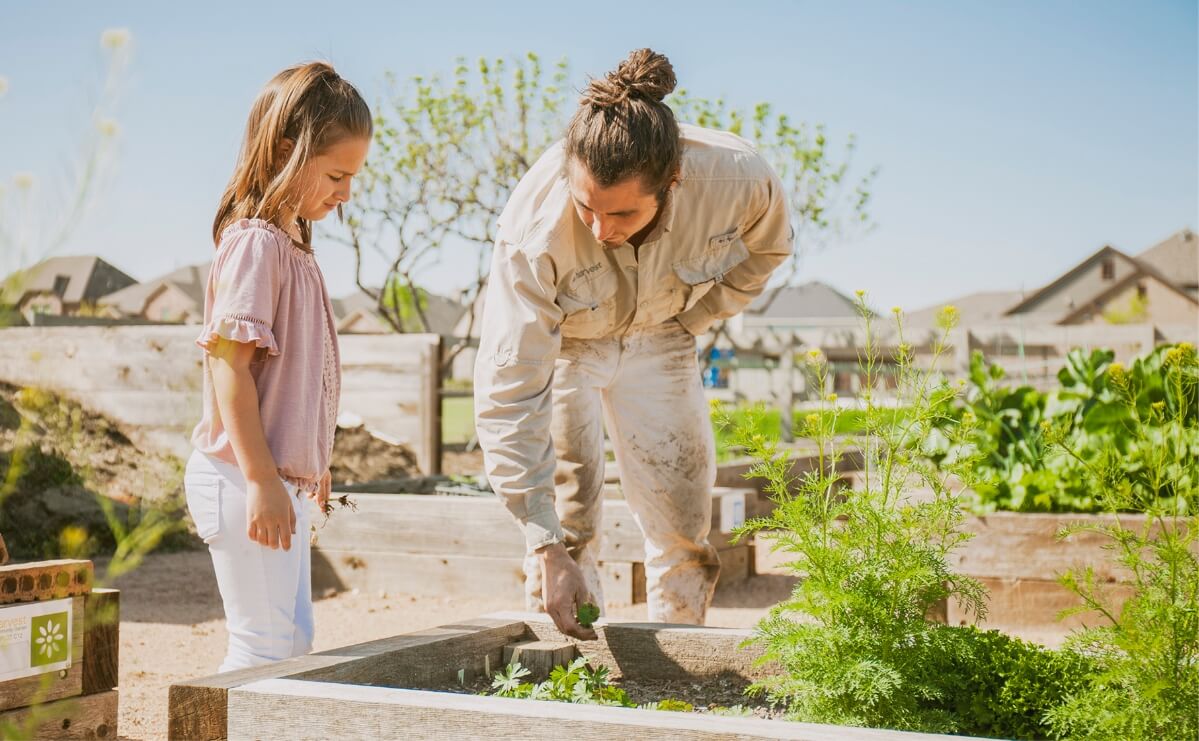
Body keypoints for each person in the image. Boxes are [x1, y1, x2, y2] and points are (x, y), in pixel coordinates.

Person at [475, 49, 794, 639]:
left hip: (663, 336)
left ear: (672, 183)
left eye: (620, 212)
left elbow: (769, 250)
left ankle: (680, 667)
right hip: (569, 344)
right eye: (586, 207)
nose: (600, 229)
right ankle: (574, 672)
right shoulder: (533, 229)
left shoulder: (737, 179)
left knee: (683, 521)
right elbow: (509, 388)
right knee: (567, 522)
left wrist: (697, 318)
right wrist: (541, 539)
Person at [184, 61, 371, 671]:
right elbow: (228, 369)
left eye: (353, 178)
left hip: (270, 479)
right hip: (241, 476)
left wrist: (309, 467)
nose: (345, 192)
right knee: (261, 648)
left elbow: (298, 379)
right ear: (288, 151)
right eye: (337, 175)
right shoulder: (256, 244)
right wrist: (265, 479)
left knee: (291, 647)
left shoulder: (294, 249)